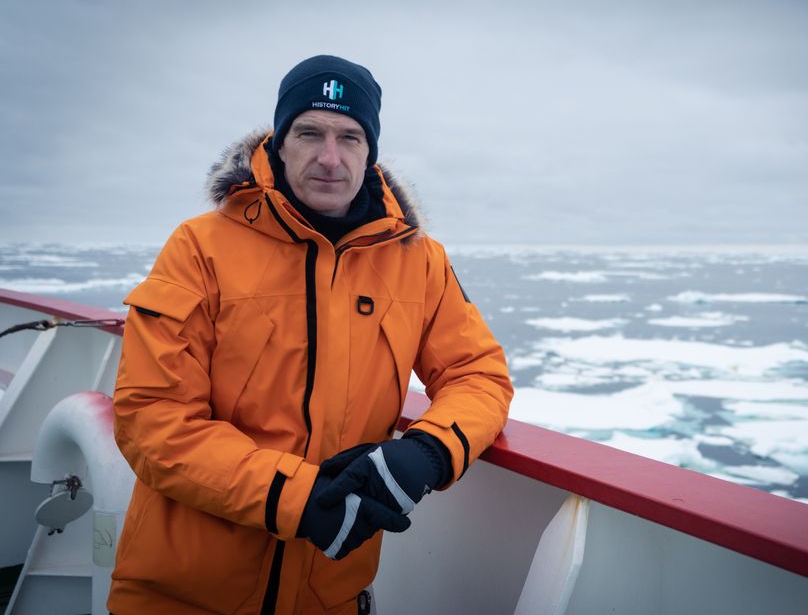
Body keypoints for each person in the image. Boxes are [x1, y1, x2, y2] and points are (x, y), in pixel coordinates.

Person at [108, 55, 513, 615]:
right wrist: (295, 499)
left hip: (328, 596)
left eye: (350, 137)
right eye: (310, 133)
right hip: (183, 595)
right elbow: (152, 418)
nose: (330, 157)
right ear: (279, 141)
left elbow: (478, 374)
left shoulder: (418, 261)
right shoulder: (201, 247)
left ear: (370, 151)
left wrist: (429, 451)